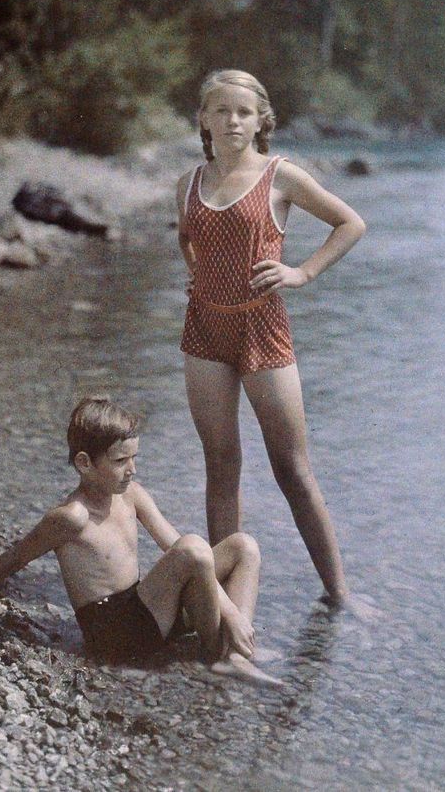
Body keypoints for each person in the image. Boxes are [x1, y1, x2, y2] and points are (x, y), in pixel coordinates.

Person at [177, 69, 376, 619]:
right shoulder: (189, 182)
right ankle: (220, 605)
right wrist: (196, 274)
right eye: (221, 110)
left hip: (263, 329)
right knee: (222, 464)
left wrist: (302, 273)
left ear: (261, 120)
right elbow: (186, 237)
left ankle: (340, 594)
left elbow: (350, 223)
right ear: (204, 119)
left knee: (292, 467)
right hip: (204, 332)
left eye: (243, 112)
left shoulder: (280, 175)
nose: (232, 120)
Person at [0, 396, 279, 685]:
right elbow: (13, 559)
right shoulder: (71, 517)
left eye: (134, 458)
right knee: (195, 547)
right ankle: (220, 655)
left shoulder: (131, 493)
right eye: (121, 460)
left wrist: (229, 611)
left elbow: (174, 544)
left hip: (146, 612)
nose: (132, 469)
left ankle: (236, 651)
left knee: (243, 546)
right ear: (84, 463)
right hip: (116, 635)